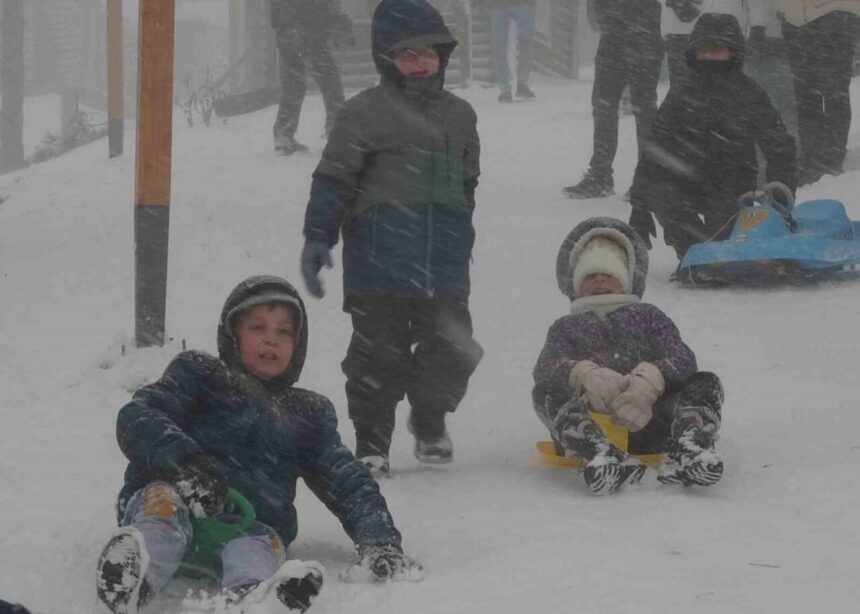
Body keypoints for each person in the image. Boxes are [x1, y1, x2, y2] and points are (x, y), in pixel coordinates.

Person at [95, 276, 421, 614]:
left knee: (257, 548)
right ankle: (131, 574)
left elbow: (346, 479)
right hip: (177, 496)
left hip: (249, 523)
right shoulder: (198, 375)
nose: (271, 339)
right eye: (257, 327)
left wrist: (378, 539)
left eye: (284, 332)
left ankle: (255, 597)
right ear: (233, 333)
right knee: (163, 513)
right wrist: (185, 463)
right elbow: (140, 415)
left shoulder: (307, 413)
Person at [300, 0, 484, 474]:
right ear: (387, 58)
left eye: (429, 51)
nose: (420, 61)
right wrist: (318, 236)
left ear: (443, 55)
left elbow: (468, 180)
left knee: (453, 348)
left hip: (444, 263)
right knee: (376, 358)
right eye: (407, 53)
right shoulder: (363, 113)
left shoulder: (461, 115)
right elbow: (334, 179)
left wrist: (460, 226)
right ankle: (372, 443)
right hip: (379, 261)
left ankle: (429, 418)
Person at [532, 217, 726, 495]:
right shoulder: (565, 326)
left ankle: (690, 445)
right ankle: (599, 454)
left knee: (705, 382)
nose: (599, 280)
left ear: (627, 278)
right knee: (546, 391)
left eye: (609, 273)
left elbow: (681, 357)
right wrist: (583, 374)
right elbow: (547, 366)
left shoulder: (648, 316)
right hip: (594, 422)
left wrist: (650, 381)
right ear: (574, 283)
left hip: (652, 423)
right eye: (589, 275)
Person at [628, 13, 796, 259]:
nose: (708, 56)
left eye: (717, 50)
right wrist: (640, 205)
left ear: (733, 52)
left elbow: (779, 147)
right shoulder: (681, 94)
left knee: (725, 244)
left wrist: (779, 200)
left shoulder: (749, 94)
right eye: (703, 50)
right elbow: (654, 148)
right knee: (662, 193)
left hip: (732, 186)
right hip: (686, 181)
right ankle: (693, 255)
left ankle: (716, 254)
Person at [563, 0, 664, 199]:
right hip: (616, 35)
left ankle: (645, 178)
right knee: (605, 106)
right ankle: (602, 175)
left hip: (640, 32)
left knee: (640, 109)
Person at [781, 5, 860, 185]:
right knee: (806, 94)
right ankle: (812, 158)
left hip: (834, 12)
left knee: (833, 92)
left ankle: (830, 159)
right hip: (795, 17)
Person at [270, 0, 355, 155]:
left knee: (293, 86)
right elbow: (329, 5)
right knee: (330, 83)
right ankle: (337, 131)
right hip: (310, 33)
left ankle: (283, 135)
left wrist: (284, 27)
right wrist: (342, 23)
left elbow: (277, 10)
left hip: (289, 35)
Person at [661, 1, 767, 88]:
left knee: (726, 89)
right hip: (683, 29)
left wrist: (758, 25)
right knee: (683, 90)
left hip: (726, 30)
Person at [485, 0, 537, 102]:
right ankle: (506, 88)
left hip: (518, 4)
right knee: (500, 45)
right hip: (500, 5)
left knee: (525, 41)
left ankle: (520, 84)